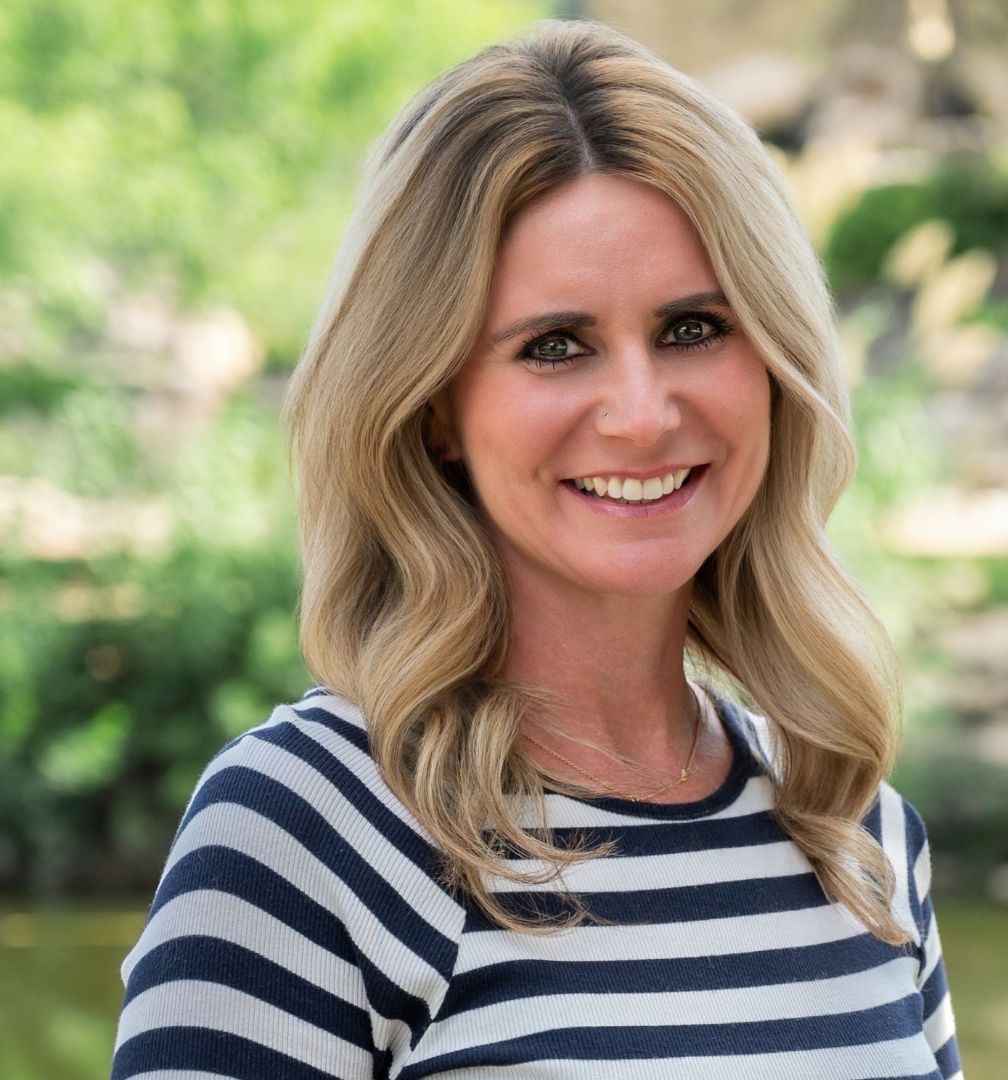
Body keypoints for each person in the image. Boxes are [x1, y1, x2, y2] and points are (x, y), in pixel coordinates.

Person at [110, 18, 962, 1080]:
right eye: (554, 347)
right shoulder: (306, 830)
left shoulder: (856, 832)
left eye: (694, 328)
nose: (644, 415)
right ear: (431, 409)